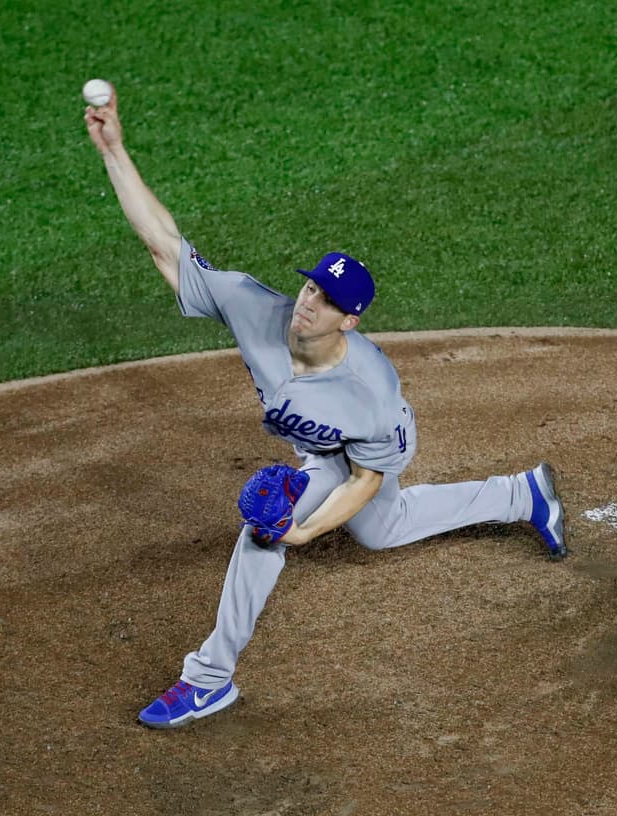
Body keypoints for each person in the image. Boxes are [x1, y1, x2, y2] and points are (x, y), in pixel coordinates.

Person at [84, 88, 567, 730]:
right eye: (311, 284)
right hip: (323, 448)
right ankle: (521, 494)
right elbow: (164, 244)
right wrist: (115, 151)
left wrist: (302, 531)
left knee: (268, 528)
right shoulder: (256, 306)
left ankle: (208, 680)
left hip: (368, 450)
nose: (309, 301)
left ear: (351, 318)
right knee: (381, 530)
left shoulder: (371, 390)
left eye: (326, 299)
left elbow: (367, 477)